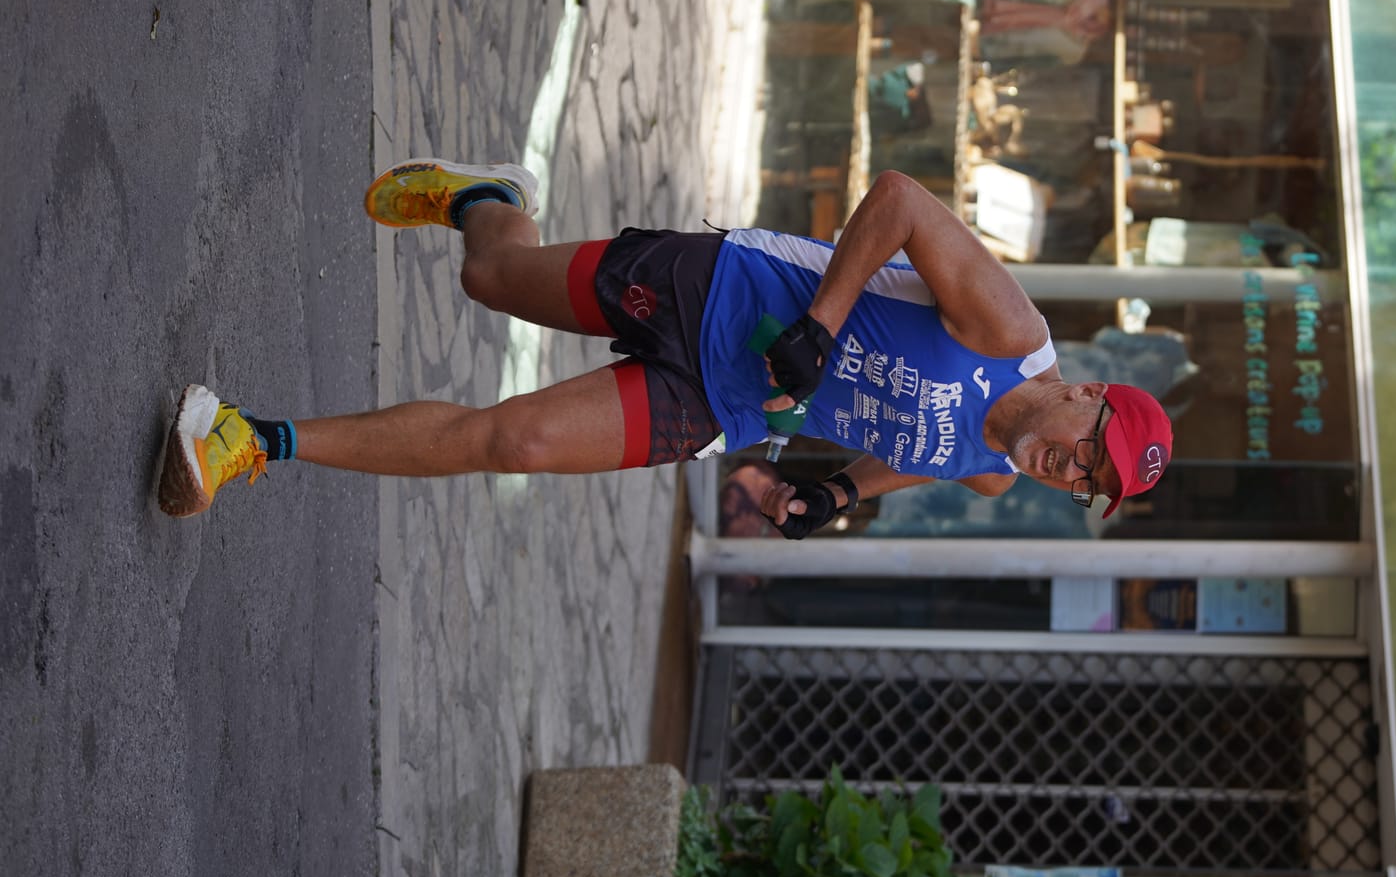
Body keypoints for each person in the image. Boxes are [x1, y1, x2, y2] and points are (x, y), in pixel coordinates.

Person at [157, 159, 1175, 538]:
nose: (1070, 467)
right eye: (1092, 446)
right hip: (722, 284)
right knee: (490, 280)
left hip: (725, 402)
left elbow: (910, 455)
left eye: (1088, 482)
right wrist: (822, 319)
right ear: (1083, 392)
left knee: (514, 444)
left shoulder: (990, 476)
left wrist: (840, 494)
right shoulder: (1010, 333)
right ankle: (486, 203)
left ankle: (245, 438)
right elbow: (901, 200)